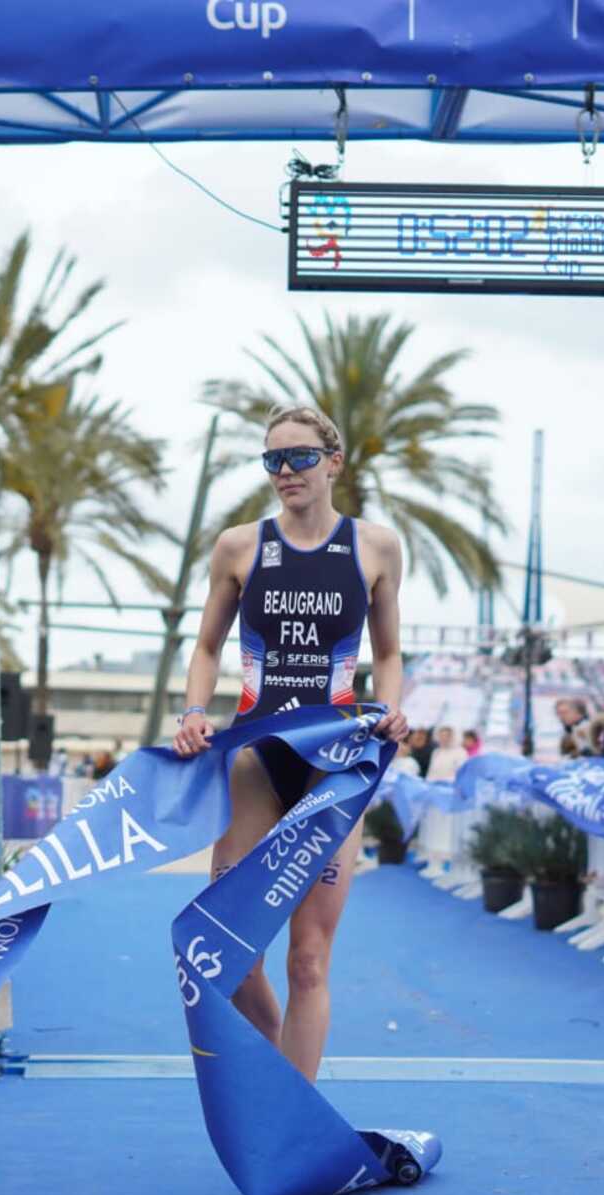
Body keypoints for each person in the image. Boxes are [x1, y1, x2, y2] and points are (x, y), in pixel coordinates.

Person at [172, 405, 410, 1083]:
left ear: (334, 461)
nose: (285, 472)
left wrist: (390, 707)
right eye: (272, 460)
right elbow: (207, 646)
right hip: (257, 761)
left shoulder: (376, 547)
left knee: (307, 958)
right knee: (228, 949)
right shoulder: (239, 547)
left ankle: (294, 1113)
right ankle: (281, 1074)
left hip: (335, 771)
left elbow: (389, 652)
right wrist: (192, 710)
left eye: (300, 457)